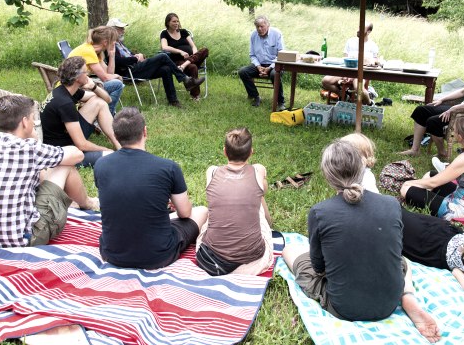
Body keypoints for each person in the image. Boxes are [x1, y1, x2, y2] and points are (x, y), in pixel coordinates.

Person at [282, 141, 440, 342]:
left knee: (291, 250)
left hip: (345, 306)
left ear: (328, 176)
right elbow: (394, 250)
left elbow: (318, 266)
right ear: (361, 168)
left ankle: (403, 294)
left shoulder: (320, 212)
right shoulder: (391, 204)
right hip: (388, 302)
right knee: (403, 263)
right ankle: (407, 295)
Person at [94, 107, 208, 269]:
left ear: (116, 136)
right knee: (202, 210)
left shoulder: (101, 165)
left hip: (112, 253)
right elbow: (185, 213)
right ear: (145, 132)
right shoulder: (168, 167)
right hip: (157, 255)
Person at [0, 95, 98, 248]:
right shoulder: (29, 148)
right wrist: (34, 140)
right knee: (65, 166)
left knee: (43, 167)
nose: (34, 123)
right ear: (25, 122)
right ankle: (87, 203)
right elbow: (77, 155)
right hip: (25, 239)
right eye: (32, 118)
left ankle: (71, 201)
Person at [400, 46, 464, 160]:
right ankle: (415, 150)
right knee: (421, 110)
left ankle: (442, 153)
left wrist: (454, 108)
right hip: (462, 109)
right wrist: (443, 99)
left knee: (433, 122)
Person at [195, 127, 274, 276]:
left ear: (225, 151)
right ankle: (269, 224)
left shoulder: (211, 171)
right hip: (251, 259)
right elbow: (263, 190)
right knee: (257, 196)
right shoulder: (258, 171)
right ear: (251, 152)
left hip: (209, 259)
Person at [401, 115, 464, 220]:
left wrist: (409, 183)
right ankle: (422, 197)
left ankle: (419, 198)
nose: (451, 132)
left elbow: (434, 183)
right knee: (430, 174)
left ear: (460, 136)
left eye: (453, 130)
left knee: (406, 188)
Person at [40, 56, 121, 167]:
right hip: (62, 152)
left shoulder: (64, 90)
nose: (87, 74)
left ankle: (120, 145)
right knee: (110, 155)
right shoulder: (65, 103)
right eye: (85, 71)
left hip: (65, 136)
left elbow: (107, 100)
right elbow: (81, 144)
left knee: (98, 102)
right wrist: (105, 149)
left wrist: (94, 87)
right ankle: (118, 152)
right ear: (77, 77)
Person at [107, 18, 204, 107]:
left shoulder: (120, 43)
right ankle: (185, 79)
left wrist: (140, 55)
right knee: (162, 56)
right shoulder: (109, 45)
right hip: (129, 72)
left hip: (138, 67)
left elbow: (131, 55)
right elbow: (118, 62)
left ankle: (173, 101)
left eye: (123, 28)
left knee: (166, 69)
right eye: (120, 29)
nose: (123, 30)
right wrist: (135, 59)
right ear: (112, 30)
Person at [68, 26, 124, 115]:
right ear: (105, 42)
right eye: (114, 40)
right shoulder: (88, 51)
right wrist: (117, 76)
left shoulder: (94, 51)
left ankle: (105, 115)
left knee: (115, 83)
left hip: (79, 85)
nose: (115, 42)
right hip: (75, 89)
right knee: (117, 84)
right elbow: (105, 78)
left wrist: (112, 55)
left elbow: (109, 74)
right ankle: (108, 115)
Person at [321, 22, 379, 103]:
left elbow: (375, 63)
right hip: (346, 71)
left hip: (361, 74)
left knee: (359, 89)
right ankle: (344, 96)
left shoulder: (373, 46)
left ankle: (370, 104)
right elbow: (345, 59)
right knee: (325, 81)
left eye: (362, 28)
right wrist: (346, 74)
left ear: (368, 31)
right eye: (359, 27)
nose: (358, 30)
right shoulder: (350, 41)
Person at [238, 15, 286, 110]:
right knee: (243, 71)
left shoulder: (276, 34)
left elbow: (281, 54)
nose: (259, 29)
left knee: (274, 75)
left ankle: (280, 102)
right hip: (259, 64)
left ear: (268, 25)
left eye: (262, 26)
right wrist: (258, 66)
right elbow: (252, 55)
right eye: (257, 27)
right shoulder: (253, 35)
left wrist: (270, 67)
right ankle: (255, 96)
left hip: (276, 64)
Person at [160, 13, 209, 101]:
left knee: (205, 50)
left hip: (190, 60)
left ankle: (184, 66)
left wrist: (194, 55)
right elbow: (164, 47)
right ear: (168, 23)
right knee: (193, 67)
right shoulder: (164, 34)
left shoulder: (183, 32)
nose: (176, 23)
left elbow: (193, 46)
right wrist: (180, 51)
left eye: (177, 21)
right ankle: (195, 96)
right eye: (174, 21)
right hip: (178, 61)